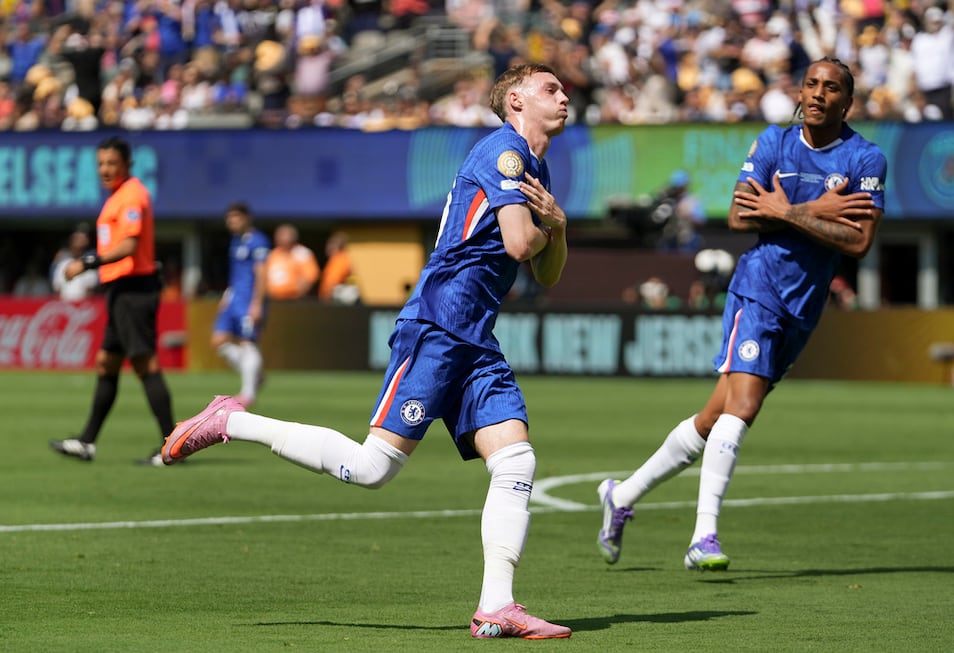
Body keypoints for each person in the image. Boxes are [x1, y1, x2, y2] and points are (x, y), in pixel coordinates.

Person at [161, 63, 572, 639]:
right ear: (517, 102)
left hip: (475, 336)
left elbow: (547, 271)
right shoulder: (503, 152)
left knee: (516, 461)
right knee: (371, 468)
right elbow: (521, 243)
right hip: (438, 326)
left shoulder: (536, 169)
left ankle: (496, 606)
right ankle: (231, 420)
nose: (564, 95)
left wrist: (558, 228)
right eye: (550, 88)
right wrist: (550, 226)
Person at [596, 57, 886, 571]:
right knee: (744, 407)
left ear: (847, 101)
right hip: (758, 289)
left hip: (803, 306)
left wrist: (786, 211)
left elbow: (859, 241)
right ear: (801, 92)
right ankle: (703, 536)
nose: (818, 94)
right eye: (811, 84)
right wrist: (813, 212)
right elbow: (737, 214)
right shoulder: (774, 142)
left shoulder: (866, 159)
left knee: (715, 417)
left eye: (831, 87)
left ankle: (621, 496)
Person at [49, 136, 176, 466]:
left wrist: (87, 262)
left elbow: (129, 246)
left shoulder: (132, 194)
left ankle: (173, 448)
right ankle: (87, 442)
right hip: (121, 290)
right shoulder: (118, 196)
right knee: (106, 362)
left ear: (127, 165)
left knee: (146, 365)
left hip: (134, 289)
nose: (105, 169)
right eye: (101, 164)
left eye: (112, 163)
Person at [213, 202, 270, 408]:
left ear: (247, 218)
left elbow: (261, 273)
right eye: (229, 218)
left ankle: (248, 393)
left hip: (248, 300)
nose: (232, 222)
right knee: (218, 341)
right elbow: (237, 274)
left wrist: (257, 303)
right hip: (234, 299)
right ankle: (256, 374)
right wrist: (228, 294)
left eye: (236, 217)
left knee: (248, 342)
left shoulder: (259, 241)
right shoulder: (236, 242)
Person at [265, 223, 320, 301]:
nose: (281, 238)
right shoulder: (273, 254)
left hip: (295, 300)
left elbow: (311, 276)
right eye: (279, 235)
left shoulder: (302, 253)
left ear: (293, 237)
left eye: (284, 235)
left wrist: (299, 293)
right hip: (274, 299)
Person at [51, 227, 100, 302]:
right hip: (65, 304)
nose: (78, 245)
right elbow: (57, 288)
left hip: (84, 305)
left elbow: (91, 288)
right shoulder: (62, 263)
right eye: (76, 240)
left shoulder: (89, 261)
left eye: (81, 240)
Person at [318, 231, 357, 304]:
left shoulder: (339, 260)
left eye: (330, 244)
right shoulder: (342, 258)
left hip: (337, 302)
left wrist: (325, 299)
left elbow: (331, 282)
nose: (327, 247)